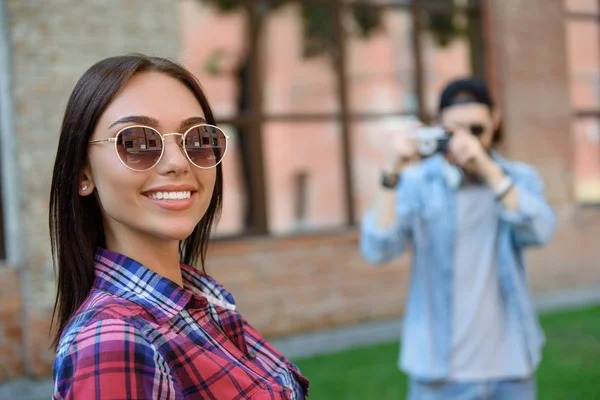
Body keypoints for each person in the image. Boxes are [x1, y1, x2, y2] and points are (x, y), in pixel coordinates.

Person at [50, 54, 309, 400]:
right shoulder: (112, 341)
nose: (177, 162)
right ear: (84, 173)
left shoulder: (201, 304)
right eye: (137, 142)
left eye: (197, 139)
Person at [360, 78, 556, 400]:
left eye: (476, 130)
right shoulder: (417, 182)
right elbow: (378, 248)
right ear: (438, 129)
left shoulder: (518, 179)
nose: (466, 143)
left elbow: (539, 230)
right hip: (438, 373)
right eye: (455, 131)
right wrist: (392, 170)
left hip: (510, 368)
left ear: (495, 120)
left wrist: (489, 171)